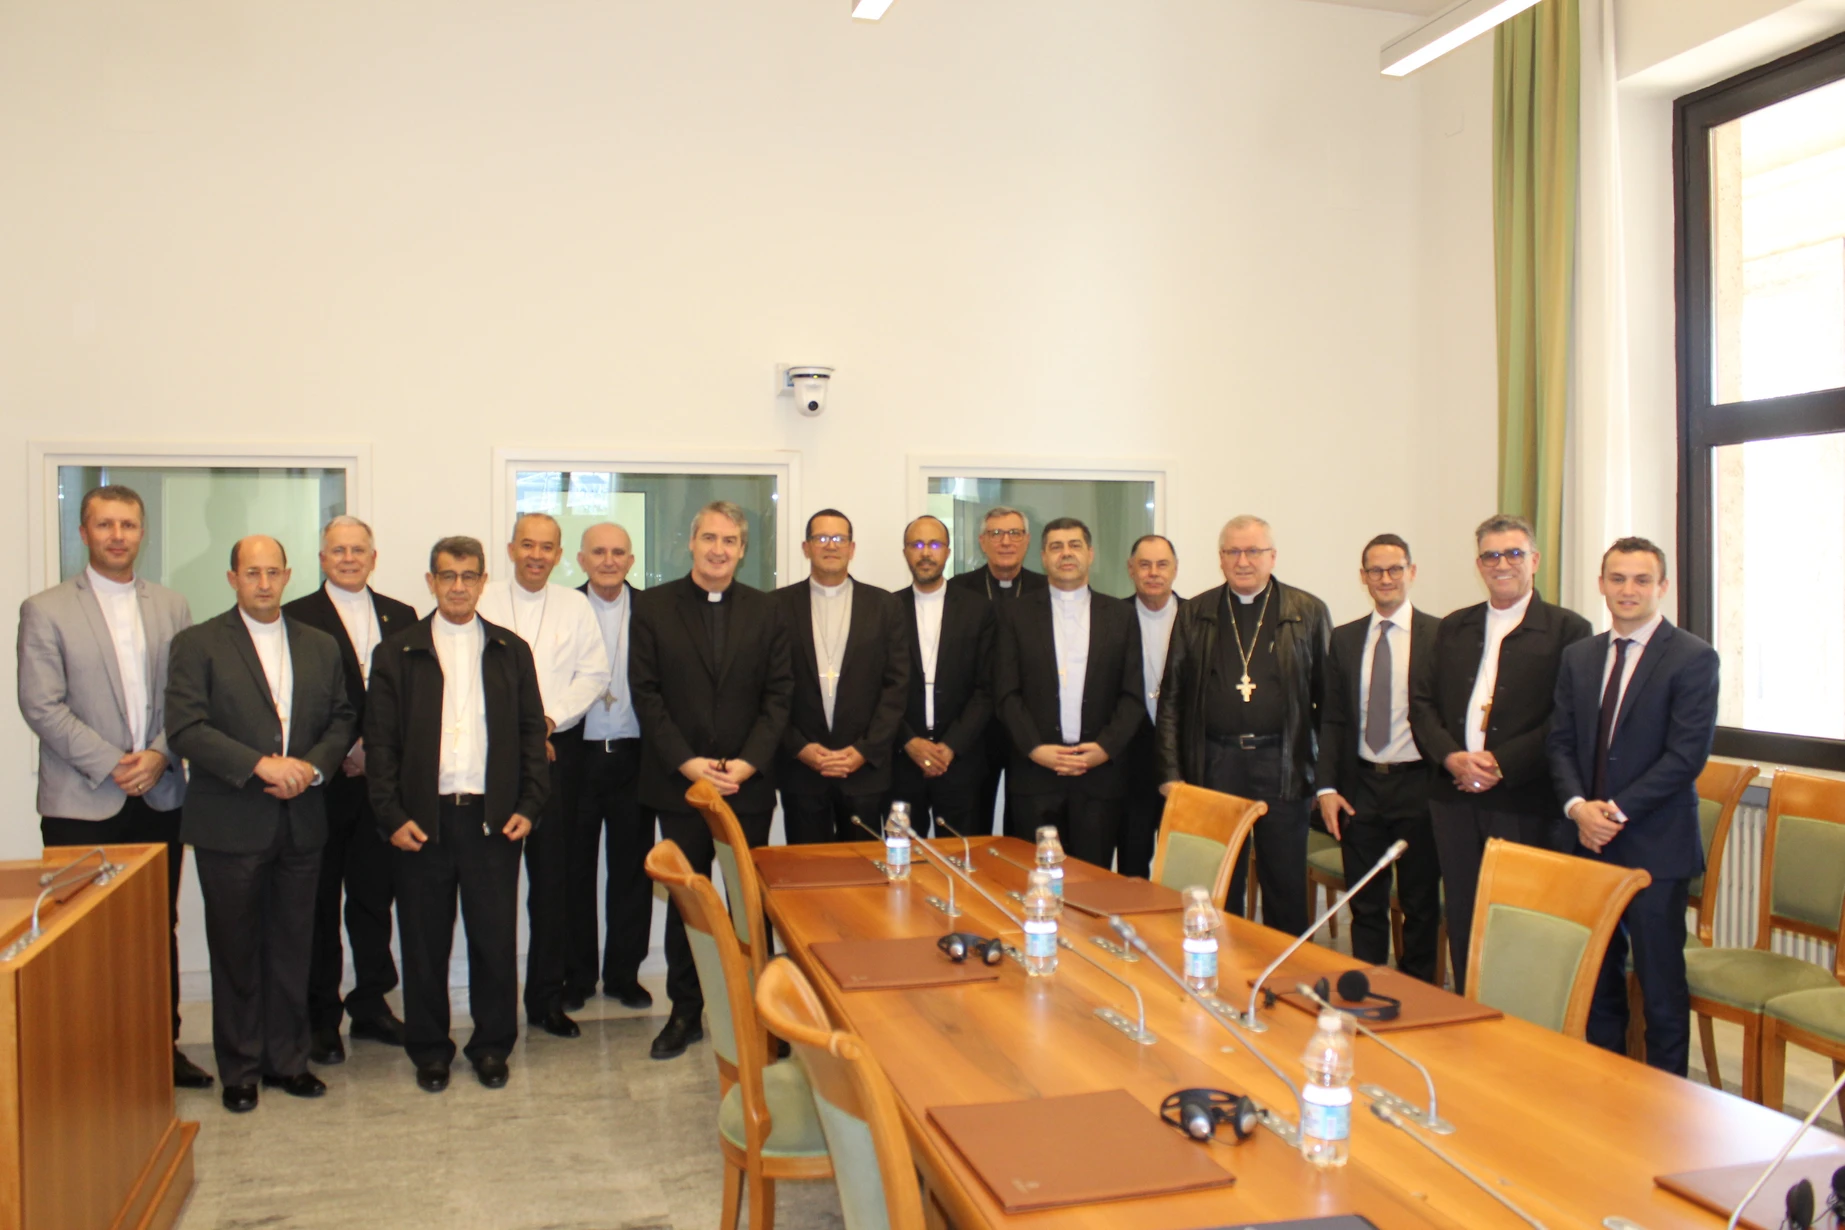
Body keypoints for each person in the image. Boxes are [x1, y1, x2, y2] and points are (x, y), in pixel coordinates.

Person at [16, 484, 211, 1089]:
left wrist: (157, 755)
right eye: (105, 525)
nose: (117, 536)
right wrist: (112, 762)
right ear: (84, 533)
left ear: (142, 532)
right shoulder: (45, 609)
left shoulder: (172, 606)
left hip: (159, 793)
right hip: (80, 801)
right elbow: (41, 704)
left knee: (155, 929)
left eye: (128, 525)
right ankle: (84, 1058)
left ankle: (160, 1047)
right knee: (80, 934)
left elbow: (187, 696)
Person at [165, 536, 356, 1112]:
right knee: (236, 951)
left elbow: (342, 717)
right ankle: (241, 1069)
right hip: (231, 822)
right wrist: (259, 765)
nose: (265, 583)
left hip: (302, 819)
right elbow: (186, 727)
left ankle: (288, 1062)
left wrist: (312, 768)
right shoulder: (198, 643)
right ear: (232, 579)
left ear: (288, 575)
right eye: (253, 573)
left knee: (294, 948)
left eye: (273, 572)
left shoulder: (319, 645)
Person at [365, 536, 548, 1093]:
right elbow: (381, 746)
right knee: (424, 945)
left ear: (483, 581)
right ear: (431, 582)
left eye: (469, 576)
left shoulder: (511, 650)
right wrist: (391, 815)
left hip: (493, 822)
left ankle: (492, 1046)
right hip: (423, 823)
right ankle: (429, 1050)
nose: (459, 587)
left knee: (494, 942)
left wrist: (530, 805)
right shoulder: (397, 652)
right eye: (448, 576)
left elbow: (532, 735)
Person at [1548, 537, 1718, 1076]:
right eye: (1617, 578)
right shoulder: (1579, 656)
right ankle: (1608, 1086)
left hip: (1655, 850)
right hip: (1586, 842)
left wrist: (1614, 813)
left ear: (1661, 587)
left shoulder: (1692, 657)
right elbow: (1560, 742)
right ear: (1601, 584)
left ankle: (1667, 1098)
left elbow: (1685, 757)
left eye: (1641, 579)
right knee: (1598, 981)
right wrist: (1579, 808)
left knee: (1660, 988)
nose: (1628, 589)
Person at [630, 501, 791, 1060]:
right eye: (709, 538)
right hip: (680, 786)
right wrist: (688, 762)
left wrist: (749, 762)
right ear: (691, 542)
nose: (718, 549)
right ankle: (684, 1011)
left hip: (747, 785)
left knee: (749, 904)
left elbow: (779, 696)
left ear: (742, 550)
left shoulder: (768, 611)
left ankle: (762, 1010)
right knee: (689, 903)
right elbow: (646, 694)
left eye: (729, 541)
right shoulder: (653, 607)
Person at [1411, 513, 1591, 988]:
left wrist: (1500, 763)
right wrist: (1452, 757)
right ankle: (1469, 1007)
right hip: (1453, 795)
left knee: (1520, 920)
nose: (1502, 564)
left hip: (1523, 799)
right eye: (1490, 556)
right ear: (1478, 565)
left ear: (1534, 560)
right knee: (1464, 914)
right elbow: (1422, 704)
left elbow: (1565, 717)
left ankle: (1518, 1016)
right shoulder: (1454, 626)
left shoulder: (1569, 630)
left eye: (1513, 553)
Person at [281, 515, 416, 1063]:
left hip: (382, 788)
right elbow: (293, 700)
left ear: (373, 558)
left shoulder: (402, 616)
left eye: (358, 550)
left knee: (373, 898)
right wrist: (340, 751)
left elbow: (410, 697)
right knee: (318, 902)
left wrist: (377, 752)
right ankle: (321, 1015)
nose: (349, 559)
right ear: (322, 559)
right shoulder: (295, 617)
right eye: (338, 550)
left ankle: (371, 1004)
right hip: (322, 784)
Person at [1156, 515, 1331, 936]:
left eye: (1253, 551)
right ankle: (1221, 963)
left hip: (1282, 763)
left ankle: (1284, 968)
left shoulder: (1307, 611)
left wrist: (1325, 780)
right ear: (1220, 558)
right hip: (1215, 762)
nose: (1243, 561)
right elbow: (1172, 698)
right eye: (1233, 551)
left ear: (1272, 556)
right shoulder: (1195, 613)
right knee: (1218, 882)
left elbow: (1329, 704)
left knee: (1284, 884)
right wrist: (1171, 774)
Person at [476, 512, 610, 1038]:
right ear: (511, 549)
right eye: (527, 545)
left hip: (558, 755)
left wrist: (546, 723)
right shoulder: (482, 601)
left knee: (554, 885)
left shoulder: (575, 607)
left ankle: (546, 999)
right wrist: (520, 732)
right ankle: (493, 1005)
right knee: (493, 888)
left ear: (558, 555)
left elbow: (593, 675)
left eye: (546, 547)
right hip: (490, 760)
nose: (536, 555)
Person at [1314, 534, 1442, 982]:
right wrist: (1326, 787)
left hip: (1419, 786)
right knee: (1365, 902)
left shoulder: (1439, 636)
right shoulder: (1345, 639)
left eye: (1394, 569)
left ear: (1411, 572)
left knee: (1420, 905)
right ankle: (1365, 989)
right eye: (1375, 570)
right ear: (1363, 577)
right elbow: (1332, 718)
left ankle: (1419, 994)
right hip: (1360, 788)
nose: (1385, 578)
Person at [992, 517, 1145, 866]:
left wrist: (1104, 749)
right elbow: (1006, 693)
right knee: (1032, 880)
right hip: (1035, 776)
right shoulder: (1014, 614)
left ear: (1090, 554)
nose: (1066, 553)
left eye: (1074, 545)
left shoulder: (1121, 616)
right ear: (1043, 557)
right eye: (1056, 547)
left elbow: (1132, 696)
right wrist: (1035, 749)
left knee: (1092, 882)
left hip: (1098, 777)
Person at [775, 509, 909, 844]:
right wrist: (799, 747)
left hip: (864, 771)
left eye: (839, 538)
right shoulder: (776, 607)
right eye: (821, 538)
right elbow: (768, 689)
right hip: (802, 771)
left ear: (852, 548)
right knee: (807, 870)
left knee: (864, 871)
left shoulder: (884, 606)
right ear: (806, 547)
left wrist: (865, 749)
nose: (831, 545)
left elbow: (896, 687)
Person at [572, 522, 654, 1010]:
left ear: (631, 561)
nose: (608, 561)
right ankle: (578, 975)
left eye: (618, 552)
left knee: (632, 873)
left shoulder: (652, 610)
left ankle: (625, 975)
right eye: (598, 552)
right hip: (577, 758)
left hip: (634, 757)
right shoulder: (565, 609)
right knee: (574, 872)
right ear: (581, 560)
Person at [891, 516, 994, 839]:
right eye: (917, 545)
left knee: (961, 859)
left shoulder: (979, 610)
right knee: (903, 859)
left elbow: (986, 688)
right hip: (902, 761)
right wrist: (909, 741)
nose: (926, 553)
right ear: (905, 552)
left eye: (934, 544)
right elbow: (879, 688)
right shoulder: (886, 609)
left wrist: (950, 746)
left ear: (948, 552)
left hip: (961, 762)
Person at [946, 506, 1047, 833]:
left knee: (1025, 827)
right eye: (996, 533)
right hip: (975, 730)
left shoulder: (1045, 590)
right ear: (982, 541)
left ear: (1027, 540)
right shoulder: (958, 590)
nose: (1006, 541)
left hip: (1030, 726)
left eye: (1014, 533)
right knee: (972, 826)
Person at [1120, 534, 1182, 878]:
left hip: (1184, 761)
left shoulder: (1198, 617)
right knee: (1133, 858)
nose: (1153, 573)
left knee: (1182, 863)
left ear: (1175, 569)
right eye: (1144, 565)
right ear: (1131, 569)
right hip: (1130, 759)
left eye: (1162, 565)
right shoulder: (1112, 616)